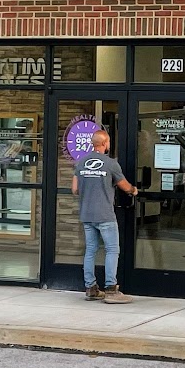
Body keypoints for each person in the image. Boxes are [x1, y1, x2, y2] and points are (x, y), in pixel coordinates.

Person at [74, 129, 137, 302]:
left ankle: (91, 288)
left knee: (90, 250)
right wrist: (133, 190)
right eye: (108, 142)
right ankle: (111, 290)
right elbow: (124, 185)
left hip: (87, 214)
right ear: (104, 143)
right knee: (112, 249)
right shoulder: (110, 164)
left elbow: (75, 189)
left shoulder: (81, 162)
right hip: (105, 215)